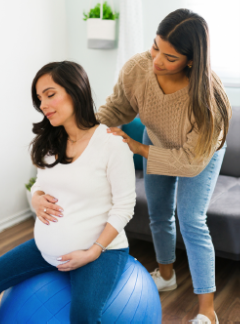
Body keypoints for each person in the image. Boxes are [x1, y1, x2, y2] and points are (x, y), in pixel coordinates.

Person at [96, 8, 232, 324]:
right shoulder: (137, 68)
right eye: (156, 46)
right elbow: (118, 107)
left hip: (199, 153)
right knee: (158, 212)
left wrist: (137, 148)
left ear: (192, 60)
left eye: (170, 57)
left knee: (191, 218)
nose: (156, 60)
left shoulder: (211, 102)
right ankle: (167, 275)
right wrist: (85, 132)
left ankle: (207, 312)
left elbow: (187, 162)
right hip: (156, 139)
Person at [0, 61, 136, 323]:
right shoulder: (50, 142)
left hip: (100, 253)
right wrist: (36, 198)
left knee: (84, 314)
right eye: (39, 99)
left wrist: (92, 251)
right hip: (45, 249)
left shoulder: (112, 144)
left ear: (75, 90)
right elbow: (40, 184)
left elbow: (125, 206)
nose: (43, 105)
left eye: (50, 94)